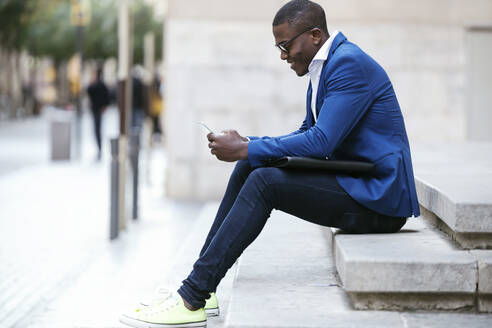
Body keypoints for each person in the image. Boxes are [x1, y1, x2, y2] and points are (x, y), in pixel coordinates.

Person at [119, 0, 420, 327]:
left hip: (379, 202)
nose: (283, 55)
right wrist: (250, 146)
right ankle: (202, 287)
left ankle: (192, 297)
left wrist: (248, 148)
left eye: (286, 45)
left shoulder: (348, 65)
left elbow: (321, 142)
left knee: (265, 181)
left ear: (315, 35)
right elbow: (308, 131)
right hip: (357, 182)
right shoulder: (328, 65)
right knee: (250, 166)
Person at [87, 68, 110, 160]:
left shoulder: (99, 85)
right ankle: (99, 148)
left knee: (97, 130)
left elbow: (106, 97)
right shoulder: (97, 84)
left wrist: (104, 106)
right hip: (96, 109)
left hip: (98, 109)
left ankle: (100, 149)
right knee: (97, 130)